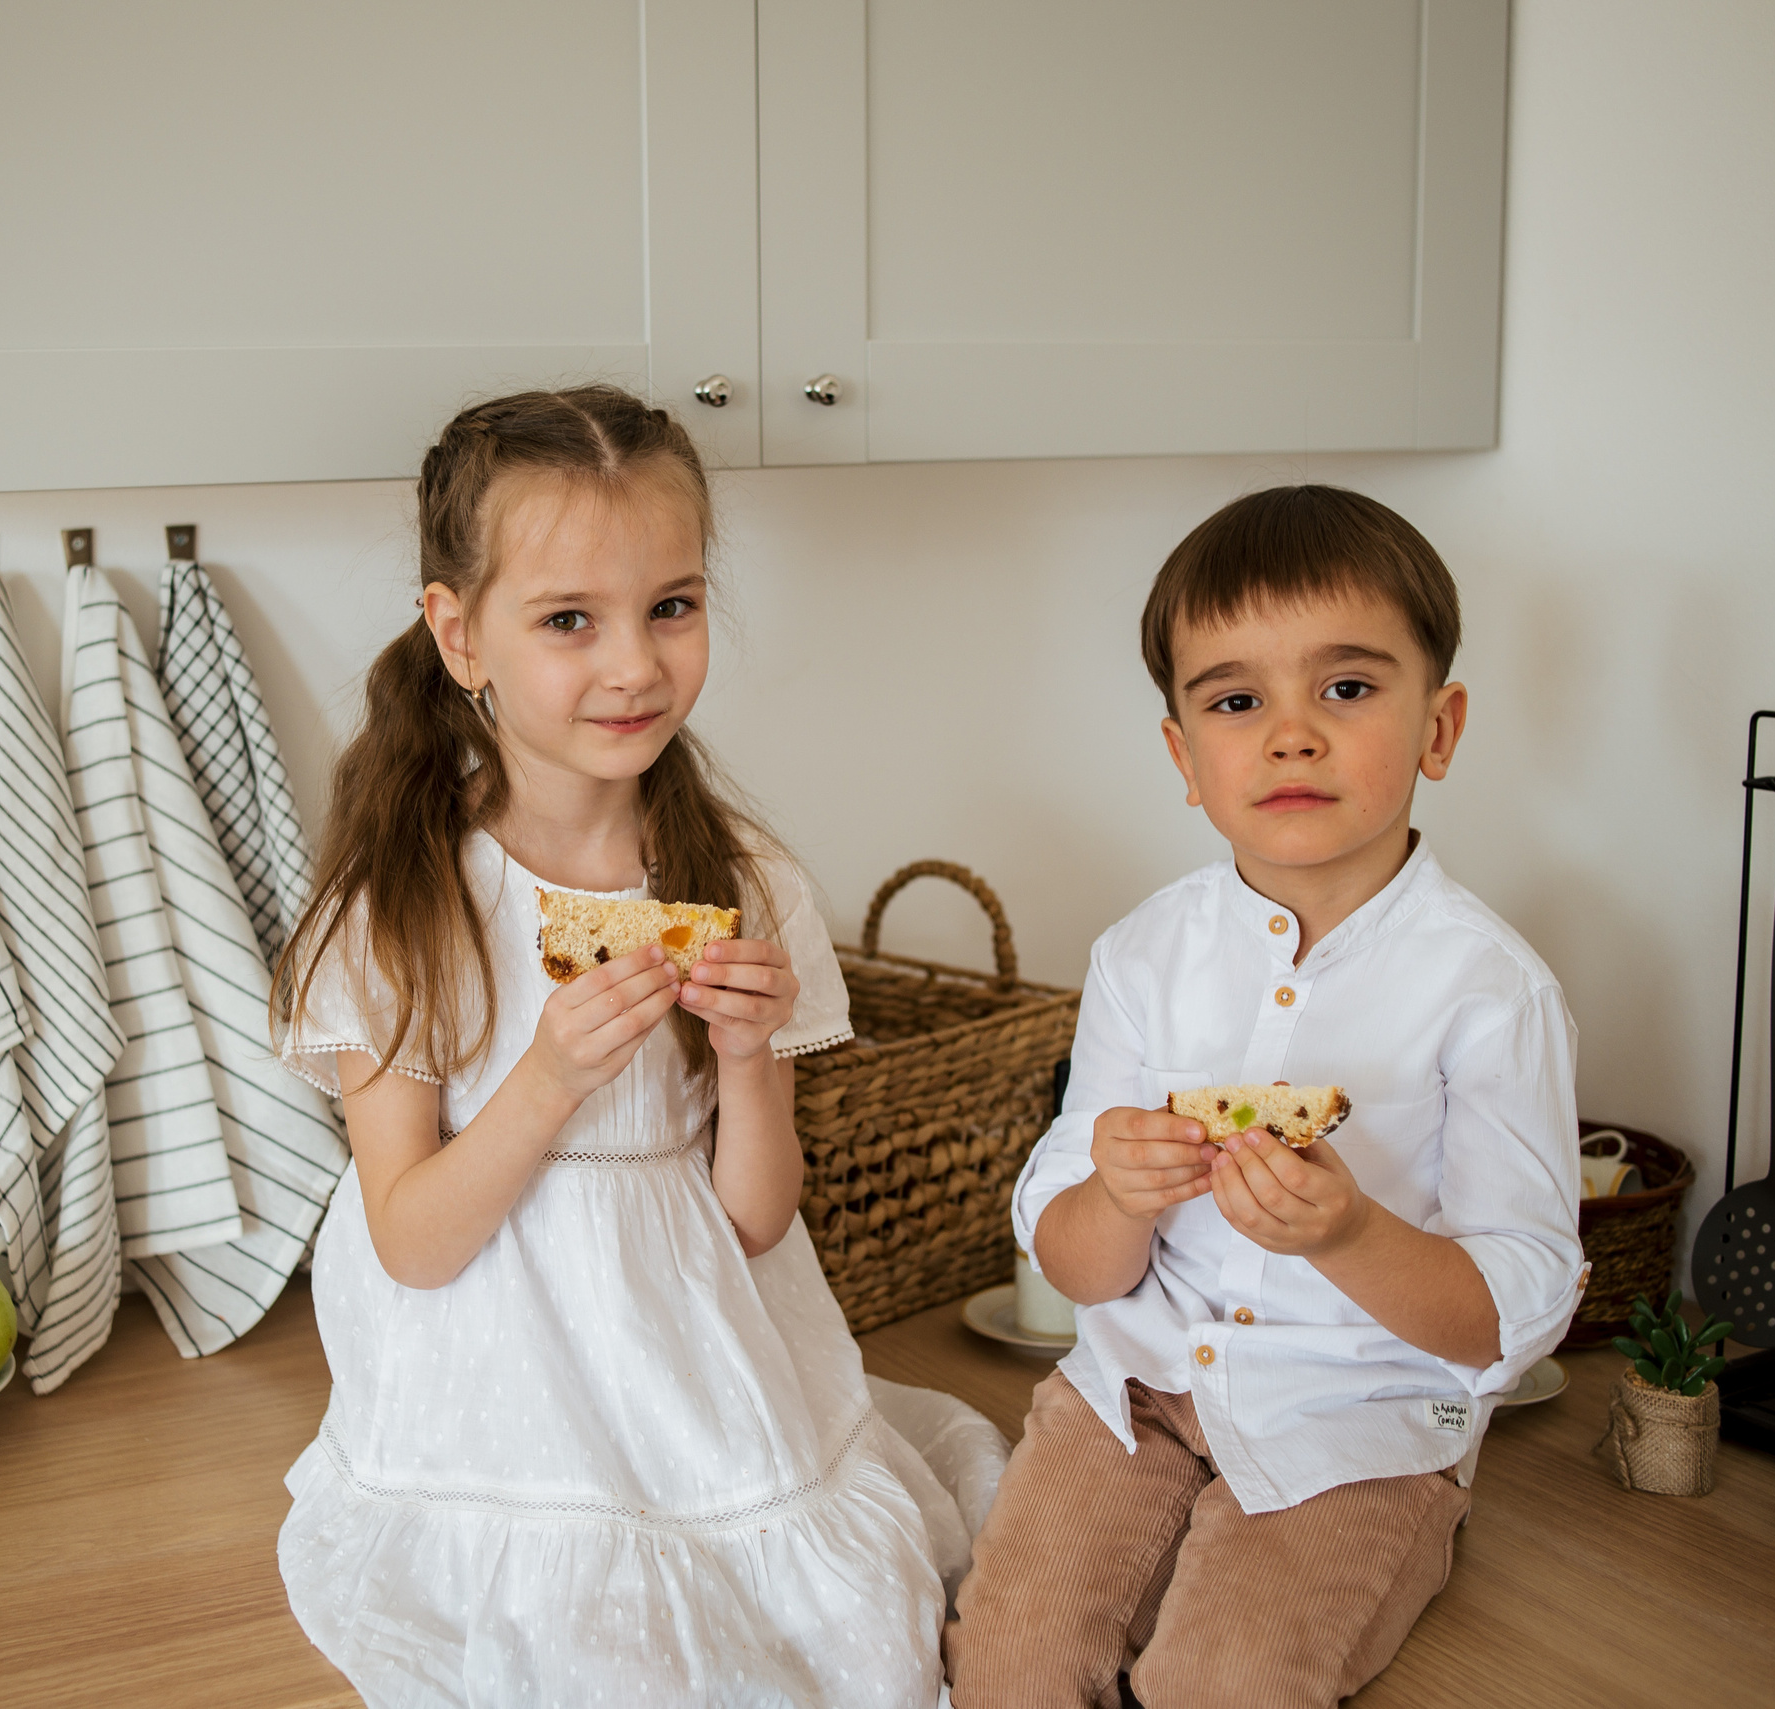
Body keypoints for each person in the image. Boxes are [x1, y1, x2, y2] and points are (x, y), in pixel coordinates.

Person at [271, 385, 1004, 1708]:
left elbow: (760, 1219)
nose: (635, 665)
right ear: (460, 632)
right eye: (569, 621)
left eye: (672, 605)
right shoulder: (398, 904)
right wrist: (547, 1080)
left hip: (694, 1331)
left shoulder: (747, 876)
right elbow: (415, 1242)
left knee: (843, 1631)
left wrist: (741, 1057)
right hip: (493, 1364)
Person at [946, 486, 1585, 1709]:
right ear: (1186, 758)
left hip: (1363, 1420)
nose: (1291, 733)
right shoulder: (1143, 955)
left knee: (1221, 1681)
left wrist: (1349, 1232)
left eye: (1345, 688)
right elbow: (1075, 1264)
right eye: (1237, 700)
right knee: (1009, 1662)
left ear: (1438, 728)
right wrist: (1116, 1197)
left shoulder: (1492, 992)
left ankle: (1408, 1536)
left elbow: (1515, 1311)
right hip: (1131, 1394)